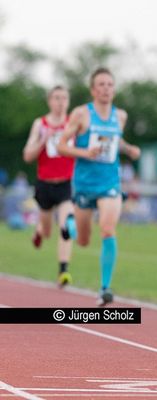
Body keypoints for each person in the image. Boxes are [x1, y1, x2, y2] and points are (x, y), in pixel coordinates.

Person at [57, 67, 141, 306]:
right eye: (101, 85)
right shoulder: (81, 114)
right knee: (82, 240)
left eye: (109, 84)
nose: (106, 88)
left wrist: (129, 149)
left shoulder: (120, 116)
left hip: (109, 182)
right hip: (84, 184)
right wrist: (85, 152)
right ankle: (69, 224)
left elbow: (116, 140)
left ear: (114, 89)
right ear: (93, 90)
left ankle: (105, 288)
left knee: (107, 228)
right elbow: (62, 146)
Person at [23, 85, 75, 287]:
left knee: (66, 226)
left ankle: (63, 270)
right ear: (49, 101)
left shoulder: (73, 124)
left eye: (64, 97)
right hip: (44, 184)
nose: (60, 101)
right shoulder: (40, 124)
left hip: (66, 184)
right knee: (47, 231)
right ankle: (38, 231)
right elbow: (27, 155)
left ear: (68, 101)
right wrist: (42, 141)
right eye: (56, 98)